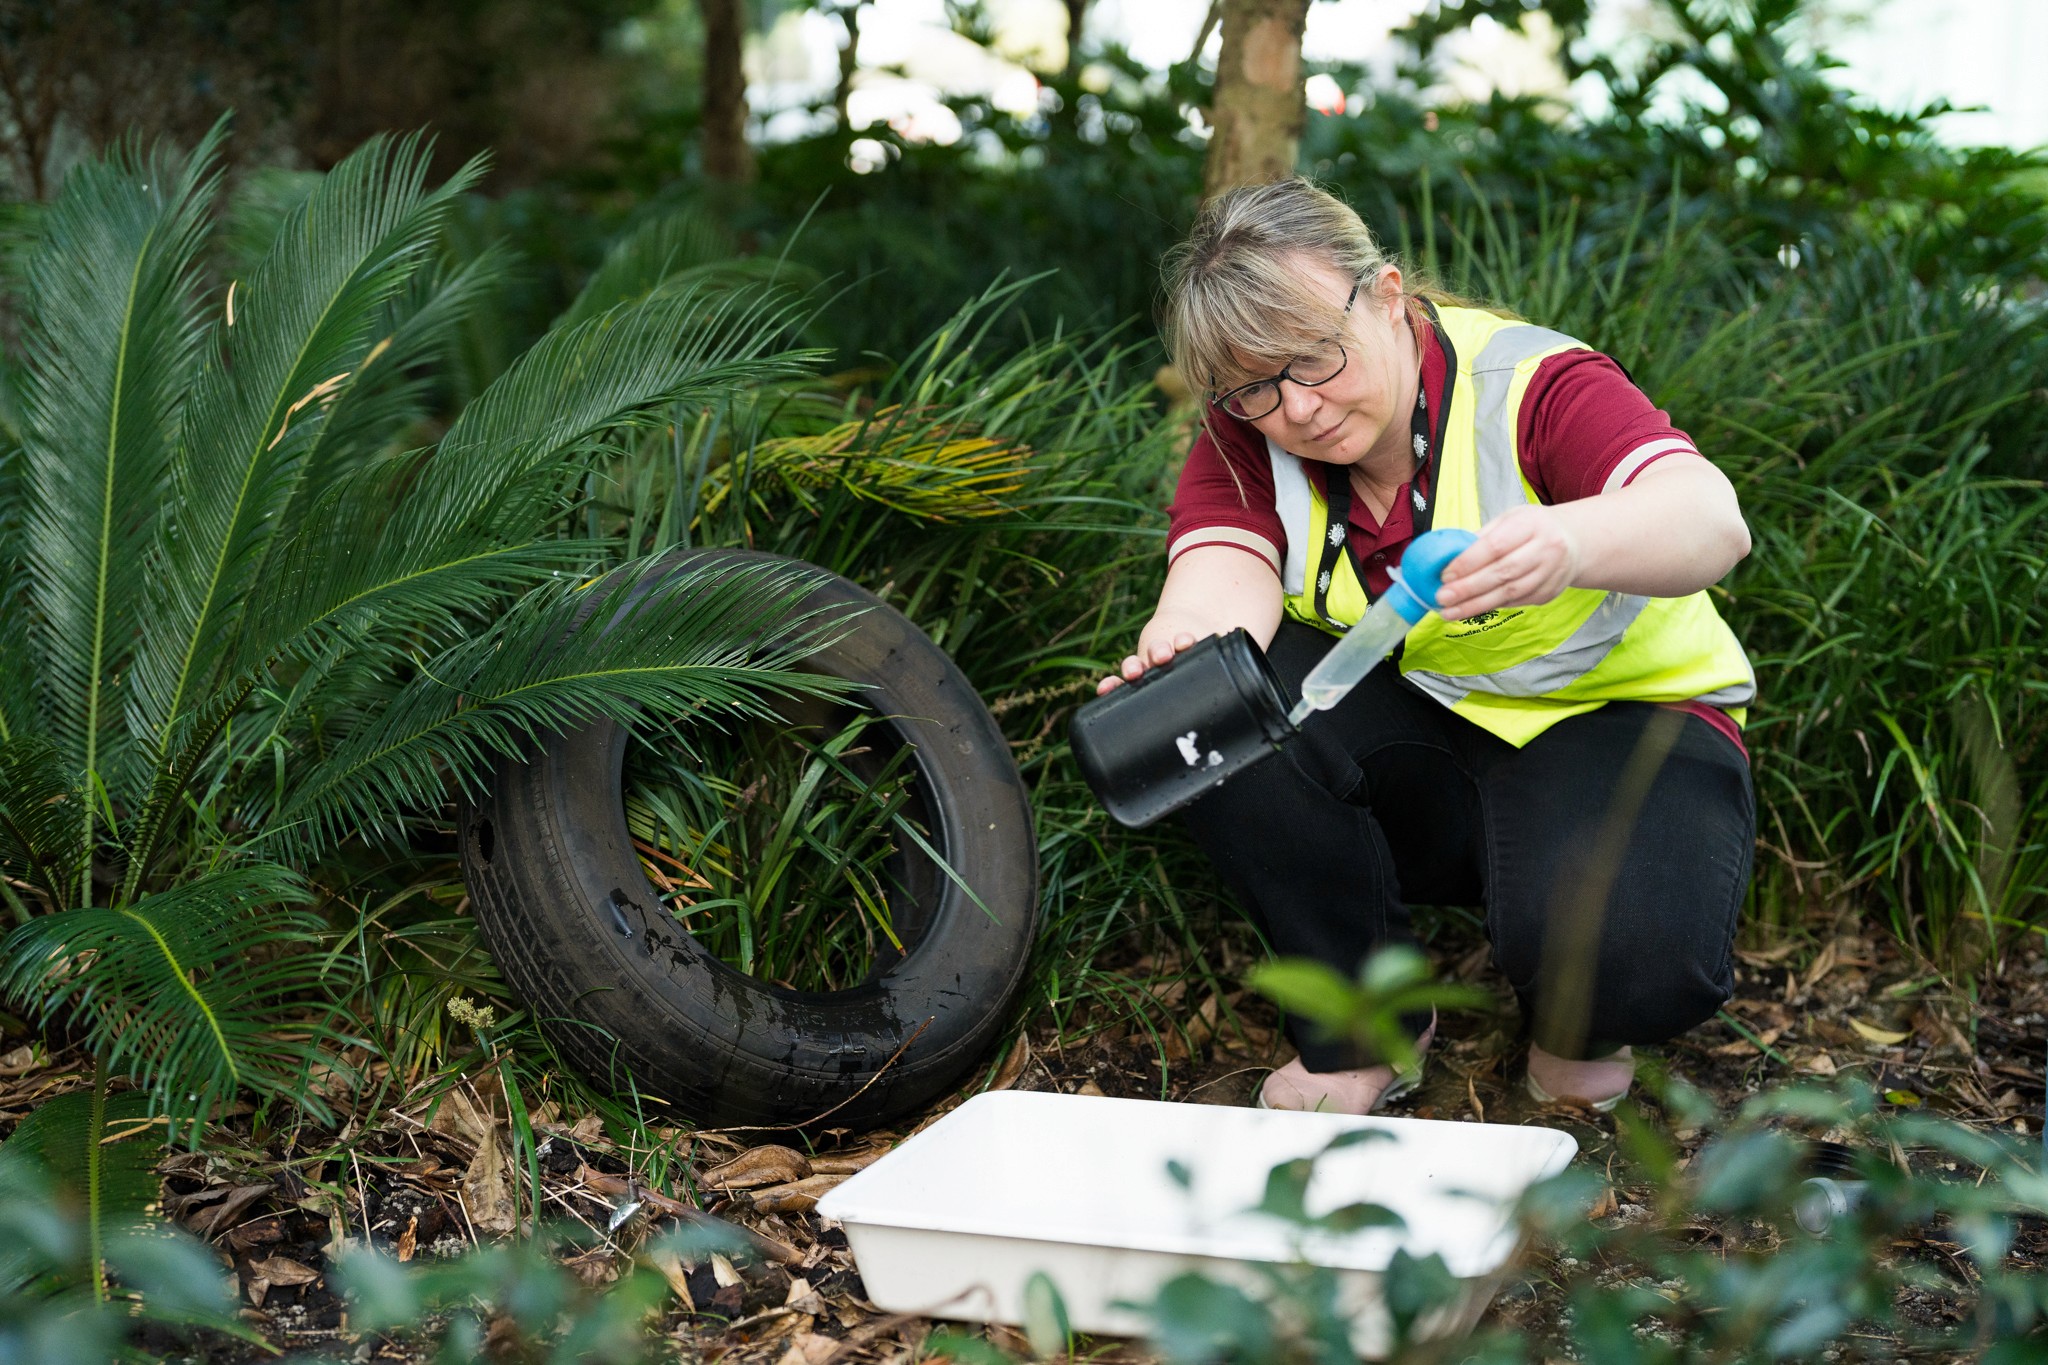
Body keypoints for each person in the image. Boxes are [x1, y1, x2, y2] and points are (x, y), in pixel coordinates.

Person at [1099, 179, 1756, 1115]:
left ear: (1392, 295)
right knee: (1216, 707)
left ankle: (1579, 1021)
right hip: (1425, 726)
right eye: (1254, 386)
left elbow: (1709, 520)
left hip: (1620, 720)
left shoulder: (1528, 385)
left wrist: (1569, 540)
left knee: (1635, 958)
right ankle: (1369, 1027)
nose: (1299, 408)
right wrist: (1179, 656)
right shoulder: (1250, 428)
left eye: (1316, 357)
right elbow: (1219, 569)